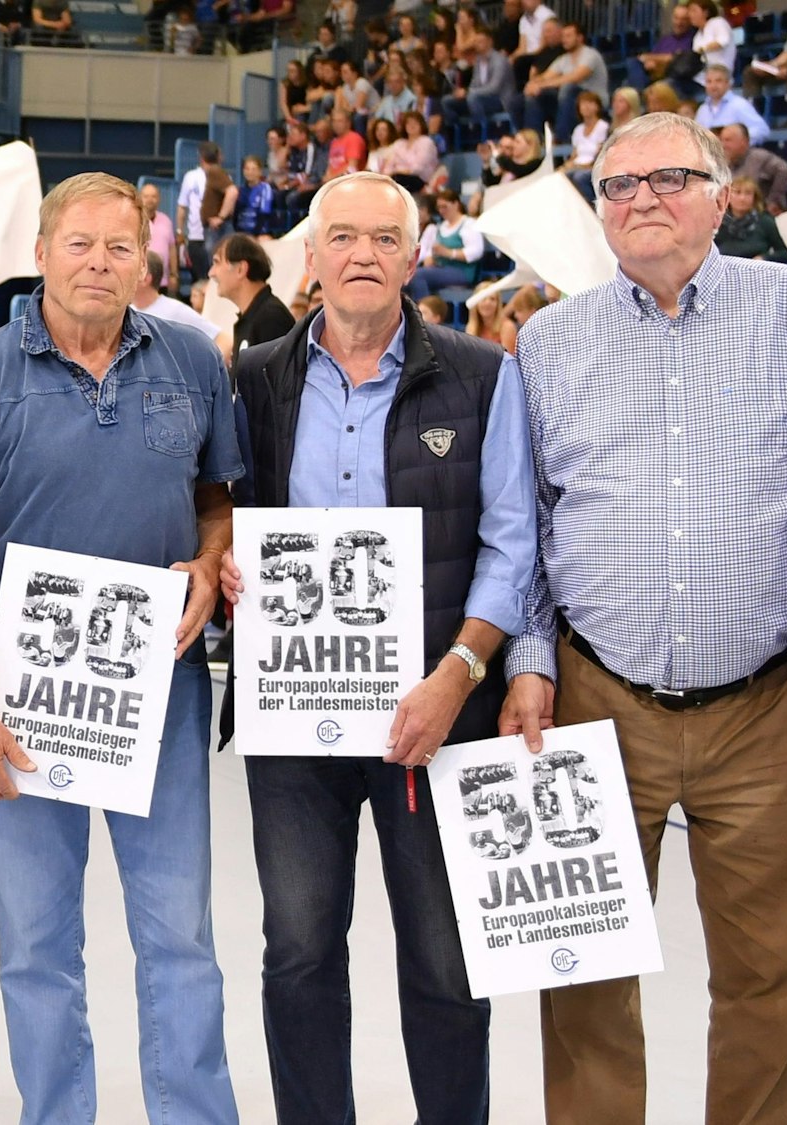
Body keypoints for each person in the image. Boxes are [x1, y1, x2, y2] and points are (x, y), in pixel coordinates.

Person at [0, 171, 244, 1125]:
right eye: (80, 244)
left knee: (180, 934)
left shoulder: (191, 360)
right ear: (42, 252)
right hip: (19, 682)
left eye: (120, 247)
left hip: (159, 681)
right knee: (37, 941)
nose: (99, 263)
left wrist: (210, 559)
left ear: (146, 259)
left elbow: (217, 501)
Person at [502, 112, 787, 1125]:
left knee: (771, 972)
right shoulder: (548, 341)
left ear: (723, 197)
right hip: (593, 695)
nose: (641, 200)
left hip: (765, 705)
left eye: (668, 177)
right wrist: (529, 661)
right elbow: (526, 521)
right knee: (582, 969)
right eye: (617, 186)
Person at [222, 170, 533, 1125]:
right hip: (293, 722)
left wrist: (459, 674)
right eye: (344, 237)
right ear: (311, 256)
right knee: (299, 953)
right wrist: (223, 563)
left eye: (384, 239)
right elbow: (223, 510)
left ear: (413, 256)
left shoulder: (483, 375)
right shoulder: (254, 376)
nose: (363, 254)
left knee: (445, 961)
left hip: (433, 718)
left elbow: (512, 542)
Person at [211, 232, 295, 352]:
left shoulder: (270, 318)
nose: (211, 273)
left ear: (241, 269)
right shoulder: (251, 319)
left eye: (217, 262)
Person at [523, 20, 607, 139]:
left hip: (594, 99)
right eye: (563, 36)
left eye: (568, 36)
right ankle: (531, 138)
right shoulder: (563, 59)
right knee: (529, 97)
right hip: (568, 101)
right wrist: (532, 85)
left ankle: (561, 137)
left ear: (580, 38)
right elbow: (544, 77)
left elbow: (574, 77)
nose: (564, 40)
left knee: (568, 88)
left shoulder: (590, 55)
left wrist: (541, 85)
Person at [177, 140, 235, 286]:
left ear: (201, 157)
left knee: (211, 278)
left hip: (213, 233)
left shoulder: (220, 174)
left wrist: (221, 217)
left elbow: (232, 194)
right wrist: (180, 231)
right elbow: (182, 206)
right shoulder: (191, 176)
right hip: (197, 234)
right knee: (201, 278)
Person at [409, 189, 485, 299]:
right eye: (439, 207)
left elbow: (476, 251)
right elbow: (432, 249)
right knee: (407, 275)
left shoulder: (468, 224)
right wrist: (430, 257)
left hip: (461, 271)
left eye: (444, 207)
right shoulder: (441, 226)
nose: (441, 211)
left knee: (418, 275)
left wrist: (449, 253)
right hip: (440, 268)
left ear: (456, 204)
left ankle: (424, 307)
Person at [133, 247, 220, 339]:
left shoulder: (175, 310)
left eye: (131, 271)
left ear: (145, 279)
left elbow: (220, 338)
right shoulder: (127, 312)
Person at [716, 174, 787, 261]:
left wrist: (764, 258)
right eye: (737, 192)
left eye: (748, 193)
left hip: (756, 267)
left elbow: (785, 254)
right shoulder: (718, 221)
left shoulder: (765, 221)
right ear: (728, 196)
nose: (742, 198)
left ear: (755, 198)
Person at [720, 123, 787, 213]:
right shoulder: (724, 163)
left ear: (744, 141)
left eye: (728, 140)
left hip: (762, 214)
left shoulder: (759, 158)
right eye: (722, 140)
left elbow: (785, 170)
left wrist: (774, 201)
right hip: (734, 216)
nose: (723, 145)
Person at [693, 64, 769, 145]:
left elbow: (762, 130)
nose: (713, 86)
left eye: (718, 81)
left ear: (728, 83)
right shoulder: (703, 109)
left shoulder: (739, 104)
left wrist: (737, 139)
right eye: (709, 82)